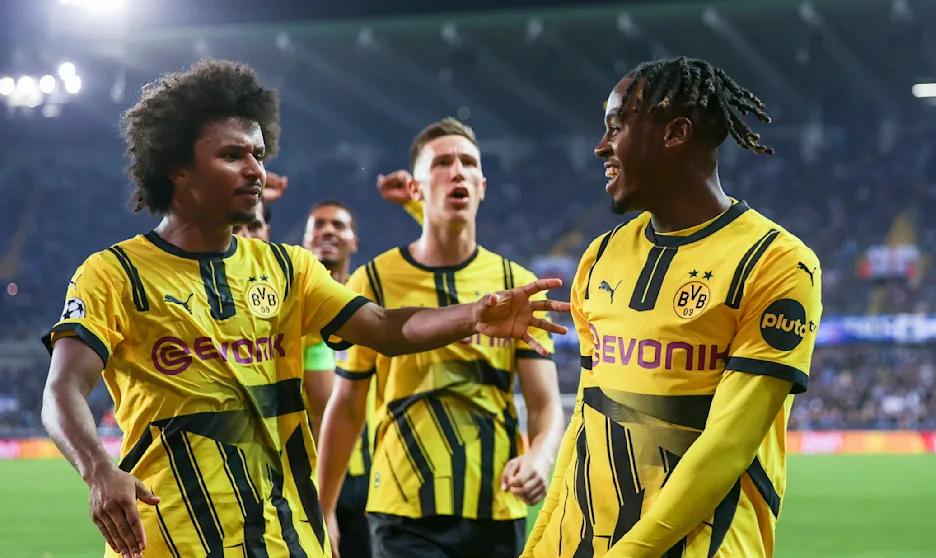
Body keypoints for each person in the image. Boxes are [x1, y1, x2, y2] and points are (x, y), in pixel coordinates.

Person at [40, 60, 567, 558]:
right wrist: (97, 469)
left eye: (259, 155)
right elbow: (62, 388)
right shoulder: (114, 274)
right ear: (177, 167)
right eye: (233, 156)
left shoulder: (288, 268)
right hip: (169, 539)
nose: (255, 170)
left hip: (287, 537)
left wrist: (472, 315)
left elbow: (384, 327)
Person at [522, 57, 823, 558]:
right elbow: (585, 422)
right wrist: (539, 545)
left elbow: (727, 445)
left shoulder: (776, 263)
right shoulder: (599, 257)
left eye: (616, 126)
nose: (601, 146)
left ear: (675, 133)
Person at [317, 118, 565, 558]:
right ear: (415, 188)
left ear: (482, 186)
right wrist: (325, 506)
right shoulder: (373, 280)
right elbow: (348, 405)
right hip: (402, 510)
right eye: (442, 163)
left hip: (496, 506)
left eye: (468, 163)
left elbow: (544, 403)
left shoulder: (517, 284)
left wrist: (540, 457)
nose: (457, 172)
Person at [299, 200, 376, 558]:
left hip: (370, 474)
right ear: (305, 241)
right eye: (318, 224)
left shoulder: (372, 308)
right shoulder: (289, 307)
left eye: (338, 225)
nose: (328, 231)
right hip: (305, 474)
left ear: (354, 241)